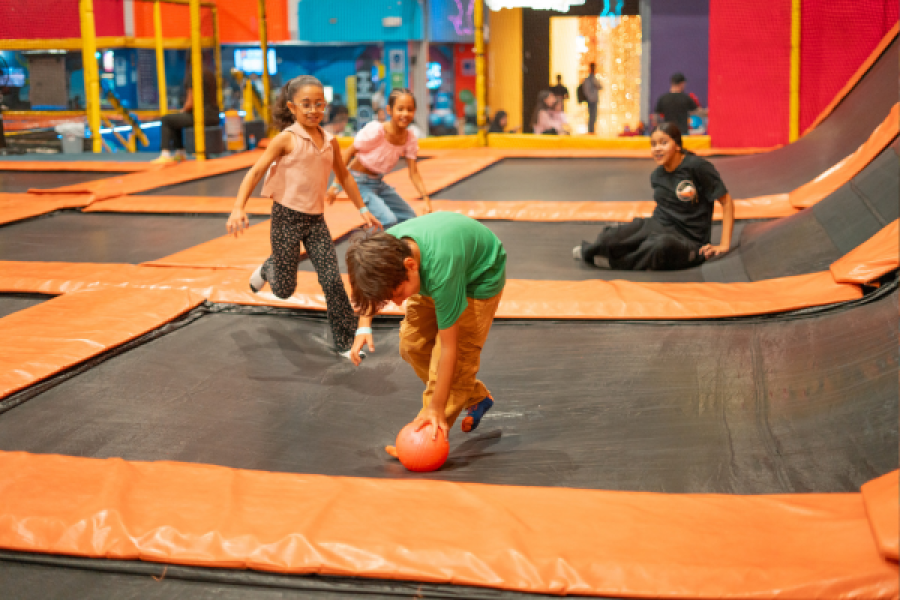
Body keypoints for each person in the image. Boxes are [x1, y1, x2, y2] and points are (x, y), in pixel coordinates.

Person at [226, 75, 381, 360]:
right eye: (306, 105)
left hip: (316, 221)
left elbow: (344, 175)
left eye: (319, 104)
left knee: (333, 280)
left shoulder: (331, 141)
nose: (313, 110)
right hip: (286, 218)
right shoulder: (287, 139)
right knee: (284, 290)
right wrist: (239, 206)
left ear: (326, 106)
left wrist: (362, 209)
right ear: (292, 108)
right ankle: (269, 268)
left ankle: (345, 342)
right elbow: (256, 171)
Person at [345, 212, 507, 453]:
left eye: (398, 294)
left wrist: (436, 407)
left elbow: (449, 349)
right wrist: (364, 325)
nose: (398, 304)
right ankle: (475, 397)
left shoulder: (442, 271)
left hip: (479, 278)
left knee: (459, 362)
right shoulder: (385, 251)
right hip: (434, 272)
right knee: (411, 346)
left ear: (410, 266)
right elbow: (367, 286)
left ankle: (423, 437)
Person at [573, 122, 734, 271]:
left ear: (677, 145)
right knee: (611, 236)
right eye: (653, 144)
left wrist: (724, 245)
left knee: (660, 246)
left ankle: (614, 263)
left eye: (663, 143)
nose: (657, 149)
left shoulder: (697, 167)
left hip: (690, 240)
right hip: (657, 224)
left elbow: (726, 202)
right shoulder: (657, 176)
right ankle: (592, 251)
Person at [326, 88, 432, 228]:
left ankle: (397, 247)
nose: (405, 114)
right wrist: (336, 184)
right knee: (388, 220)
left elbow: (414, 172)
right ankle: (367, 247)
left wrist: (425, 198)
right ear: (389, 110)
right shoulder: (377, 131)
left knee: (409, 217)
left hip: (378, 182)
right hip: (358, 181)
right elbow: (348, 153)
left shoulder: (409, 138)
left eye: (410, 109)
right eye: (400, 109)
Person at [153, 64, 220, 163]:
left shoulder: (194, 74)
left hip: (201, 116)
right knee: (176, 120)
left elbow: (190, 102)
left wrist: (182, 110)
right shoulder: (210, 74)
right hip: (214, 115)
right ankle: (180, 153)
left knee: (167, 119)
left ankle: (165, 154)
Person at [654, 72, 701, 138]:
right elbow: (697, 111)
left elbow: (656, 117)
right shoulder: (686, 98)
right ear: (682, 84)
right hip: (683, 133)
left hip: (668, 132)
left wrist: (659, 129)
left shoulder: (663, 98)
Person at [581, 63, 601, 134]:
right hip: (590, 100)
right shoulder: (588, 80)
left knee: (594, 116)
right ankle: (590, 131)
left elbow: (600, 86)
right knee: (591, 116)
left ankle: (592, 131)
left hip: (594, 100)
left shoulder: (595, 79)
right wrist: (590, 97)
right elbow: (586, 90)